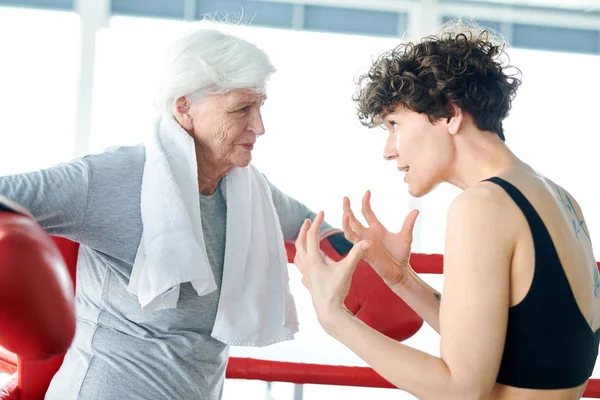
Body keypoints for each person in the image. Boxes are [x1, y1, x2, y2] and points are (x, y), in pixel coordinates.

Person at [0, 27, 344, 400]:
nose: (260, 126)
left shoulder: (248, 191)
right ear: (185, 108)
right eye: (242, 108)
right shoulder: (113, 177)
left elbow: (311, 225)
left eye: (260, 107)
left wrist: (365, 257)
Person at [294, 20, 600, 400]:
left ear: (450, 115)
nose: (388, 150)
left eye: (394, 124)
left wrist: (332, 316)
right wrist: (400, 278)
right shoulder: (557, 197)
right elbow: (518, 348)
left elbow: (461, 388)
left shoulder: (482, 206)